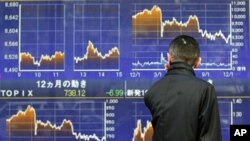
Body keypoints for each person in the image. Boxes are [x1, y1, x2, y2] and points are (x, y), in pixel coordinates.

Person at [144, 35, 222, 141]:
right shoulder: (205, 90)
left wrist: (170, 76)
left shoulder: (152, 91)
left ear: (169, 58)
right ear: (198, 62)